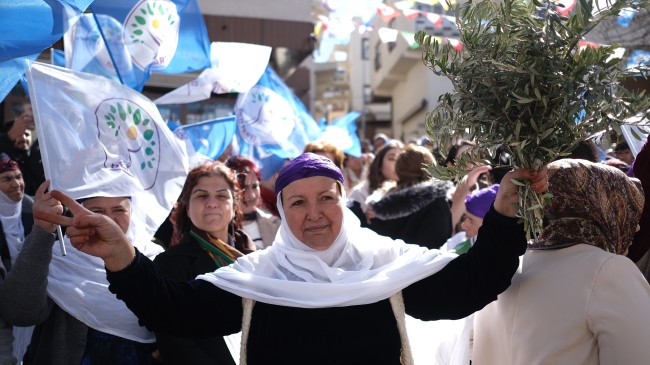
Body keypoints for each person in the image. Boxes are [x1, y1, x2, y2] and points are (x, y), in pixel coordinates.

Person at [37, 152, 548, 365]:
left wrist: (503, 215)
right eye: (298, 203)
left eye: (326, 197)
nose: (316, 214)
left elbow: (467, 289)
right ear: (281, 213)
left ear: (344, 203)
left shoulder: (385, 264)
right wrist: (122, 255)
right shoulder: (258, 276)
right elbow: (172, 309)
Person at [472, 159, 650, 364]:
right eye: (624, 208)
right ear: (599, 205)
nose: (635, 228)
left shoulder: (503, 266)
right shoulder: (608, 270)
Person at [0, 181, 163, 365]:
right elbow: (18, 313)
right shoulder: (59, 255)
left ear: (133, 212)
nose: (109, 219)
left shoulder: (156, 258)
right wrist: (41, 233)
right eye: (97, 211)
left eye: (119, 210)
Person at [152, 161, 255, 364]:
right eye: (201, 196)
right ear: (187, 208)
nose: (212, 203)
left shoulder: (254, 258)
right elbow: (176, 343)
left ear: (234, 206)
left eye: (221, 196)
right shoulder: (169, 264)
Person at [366, 144, 454, 249]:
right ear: (431, 168)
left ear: (399, 169)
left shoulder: (377, 206)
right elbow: (434, 253)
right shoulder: (436, 204)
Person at [226, 156, 280, 250]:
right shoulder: (218, 229)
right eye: (243, 188)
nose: (251, 195)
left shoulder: (276, 224)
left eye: (255, 186)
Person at [347, 140, 404, 224]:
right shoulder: (360, 193)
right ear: (380, 164)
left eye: (402, 159)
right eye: (392, 158)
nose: (397, 163)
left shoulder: (413, 193)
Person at [0, 103, 45, 197]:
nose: (23, 138)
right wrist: (9, 137)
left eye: (27, 135)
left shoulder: (38, 157)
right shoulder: (4, 159)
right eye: (19, 134)